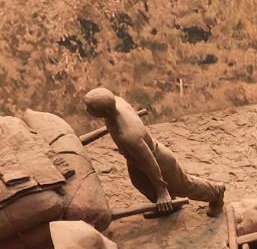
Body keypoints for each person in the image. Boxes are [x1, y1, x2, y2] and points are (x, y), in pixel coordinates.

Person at [82, 86, 226, 213]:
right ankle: (171, 206)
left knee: (183, 186)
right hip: (135, 160)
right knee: (141, 184)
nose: (86, 110)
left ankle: (216, 191)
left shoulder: (128, 136)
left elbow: (150, 162)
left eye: (90, 108)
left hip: (158, 160)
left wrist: (162, 190)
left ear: (106, 111)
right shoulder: (117, 102)